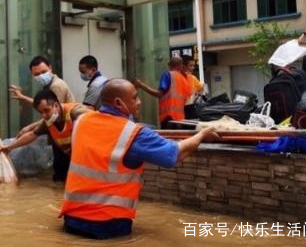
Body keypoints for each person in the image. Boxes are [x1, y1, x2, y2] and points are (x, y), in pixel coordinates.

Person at [60, 78, 219, 239]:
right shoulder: (134, 134)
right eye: (135, 97)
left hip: (71, 221)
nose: (140, 102)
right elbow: (174, 154)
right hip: (108, 225)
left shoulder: (82, 122)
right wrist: (201, 135)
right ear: (118, 103)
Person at [10, 55, 76, 181]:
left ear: (50, 68)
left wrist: (29, 127)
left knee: (61, 175)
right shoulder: (50, 85)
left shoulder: (57, 86)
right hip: (61, 135)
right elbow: (45, 107)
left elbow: (51, 113)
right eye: (36, 74)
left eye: (43, 72)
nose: (41, 76)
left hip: (66, 135)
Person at [0, 90, 89, 179]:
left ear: (56, 105)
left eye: (46, 110)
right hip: (71, 157)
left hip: (89, 160)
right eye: (41, 112)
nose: (44, 115)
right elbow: (32, 135)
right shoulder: (48, 122)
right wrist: (9, 147)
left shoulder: (76, 113)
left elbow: (97, 121)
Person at [132, 56, 192, 129]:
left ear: (169, 65)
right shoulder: (185, 80)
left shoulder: (168, 75)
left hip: (168, 118)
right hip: (180, 119)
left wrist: (140, 85)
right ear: (181, 66)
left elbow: (159, 94)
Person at [182, 55, 205, 119]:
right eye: (191, 65)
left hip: (190, 107)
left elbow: (201, 88)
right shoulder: (178, 77)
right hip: (181, 108)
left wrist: (197, 96)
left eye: (193, 66)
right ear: (183, 66)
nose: (193, 68)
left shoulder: (192, 78)